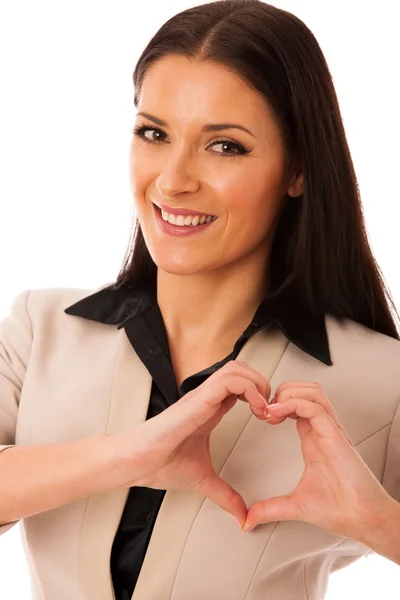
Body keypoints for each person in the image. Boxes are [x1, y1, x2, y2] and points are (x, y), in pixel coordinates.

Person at [0, 0, 399, 598]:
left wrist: (379, 524)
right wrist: (127, 456)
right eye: (154, 134)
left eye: (224, 146)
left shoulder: (382, 382)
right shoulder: (41, 331)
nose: (172, 180)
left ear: (298, 169)